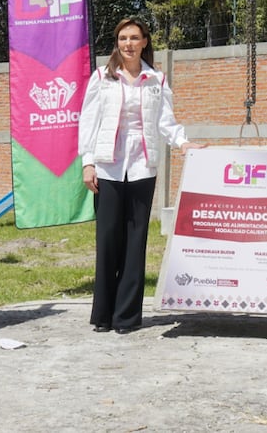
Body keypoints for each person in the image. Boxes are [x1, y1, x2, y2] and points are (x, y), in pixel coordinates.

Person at [78, 17, 201, 334]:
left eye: (134, 38)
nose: (128, 44)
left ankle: (127, 317)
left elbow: (166, 122)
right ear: (117, 43)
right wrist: (88, 163)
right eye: (122, 38)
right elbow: (88, 122)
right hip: (108, 166)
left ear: (145, 41)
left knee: (135, 242)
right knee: (108, 241)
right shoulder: (102, 78)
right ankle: (103, 315)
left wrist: (184, 143)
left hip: (143, 168)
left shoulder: (156, 80)